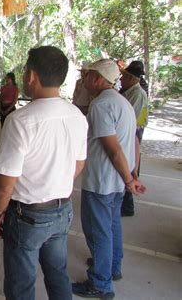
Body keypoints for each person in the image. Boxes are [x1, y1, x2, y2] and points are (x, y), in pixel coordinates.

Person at [0, 46, 88, 300]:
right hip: (62, 211)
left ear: (32, 75)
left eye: (25, 72)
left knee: (21, 283)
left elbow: (4, 183)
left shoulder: (20, 121)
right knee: (57, 274)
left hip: (27, 216)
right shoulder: (77, 115)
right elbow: (78, 165)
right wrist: (54, 181)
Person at [72, 59, 146, 299]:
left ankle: (100, 283)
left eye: (88, 74)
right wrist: (130, 175)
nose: (84, 78)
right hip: (115, 182)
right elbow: (132, 142)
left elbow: (113, 149)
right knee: (112, 225)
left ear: (98, 78)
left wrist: (129, 179)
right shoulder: (122, 102)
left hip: (102, 181)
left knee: (98, 231)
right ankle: (112, 267)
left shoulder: (101, 105)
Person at [119, 60, 149, 217]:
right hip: (130, 131)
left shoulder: (137, 94)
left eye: (123, 77)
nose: (121, 80)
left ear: (131, 78)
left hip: (133, 132)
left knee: (129, 165)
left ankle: (127, 205)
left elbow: (129, 117)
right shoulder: (129, 92)